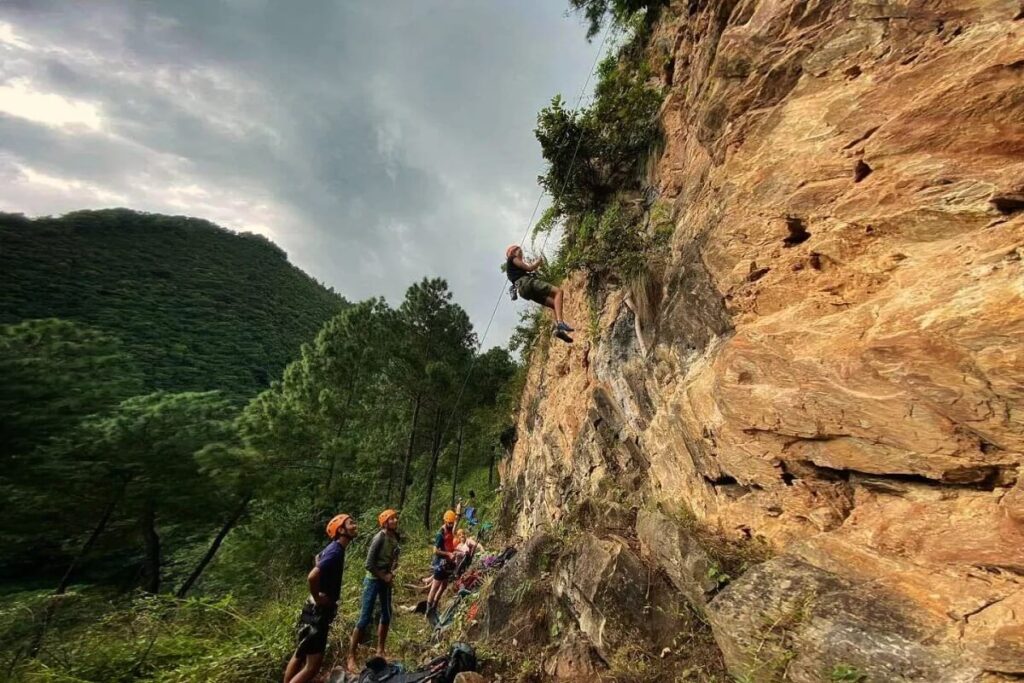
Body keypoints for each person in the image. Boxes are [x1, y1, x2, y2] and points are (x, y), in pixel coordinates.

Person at [284, 513, 358, 683]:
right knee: (312, 667)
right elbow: (312, 576)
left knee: (300, 654)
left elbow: (318, 558)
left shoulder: (332, 548)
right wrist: (318, 597)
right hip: (318, 612)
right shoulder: (336, 551)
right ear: (341, 530)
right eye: (351, 523)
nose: (355, 525)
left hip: (310, 610)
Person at [347, 509, 401, 673]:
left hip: (385, 579)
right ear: (385, 522)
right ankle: (351, 656)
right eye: (392, 519)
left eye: (395, 518)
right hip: (372, 580)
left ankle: (380, 650)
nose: (395, 521)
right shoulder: (379, 538)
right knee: (365, 617)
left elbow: (394, 558)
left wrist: (391, 573)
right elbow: (369, 563)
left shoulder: (394, 538)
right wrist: (382, 576)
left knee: (386, 614)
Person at [505, 244, 574, 342]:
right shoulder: (512, 258)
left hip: (523, 291)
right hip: (526, 282)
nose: (521, 254)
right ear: (514, 252)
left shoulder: (512, 271)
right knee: (558, 292)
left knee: (554, 303)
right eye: (520, 251)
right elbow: (529, 268)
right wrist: (538, 261)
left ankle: (558, 330)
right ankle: (560, 322)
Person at [425, 509, 459, 622]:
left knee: (444, 586)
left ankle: (434, 607)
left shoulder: (450, 529)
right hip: (440, 563)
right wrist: (448, 554)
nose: (451, 525)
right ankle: (428, 611)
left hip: (448, 564)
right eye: (449, 523)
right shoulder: (440, 533)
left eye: (452, 523)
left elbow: (455, 526)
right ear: (445, 521)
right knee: (435, 587)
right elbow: (435, 550)